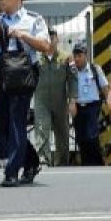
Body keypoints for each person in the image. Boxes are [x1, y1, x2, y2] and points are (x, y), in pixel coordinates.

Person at [0, 0, 48, 187]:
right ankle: (32, 161)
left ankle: (11, 171)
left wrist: (23, 35)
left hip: (23, 75)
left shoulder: (34, 19)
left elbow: (45, 46)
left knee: (17, 120)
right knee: (3, 124)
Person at [34, 31, 75, 167]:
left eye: (52, 37)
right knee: (41, 128)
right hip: (41, 100)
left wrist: (72, 100)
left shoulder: (66, 58)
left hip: (60, 101)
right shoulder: (36, 58)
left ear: (57, 39)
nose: (50, 40)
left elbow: (72, 79)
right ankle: (43, 159)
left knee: (62, 132)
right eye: (47, 37)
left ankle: (62, 161)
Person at [68, 44, 107, 166]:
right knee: (81, 138)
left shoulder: (95, 69)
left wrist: (110, 103)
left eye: (80, 55)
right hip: (78, 107)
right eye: (75, 56)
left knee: (91, 136)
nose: (77, 58)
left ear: (86, 56)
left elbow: (104, 87)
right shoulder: (71, 71)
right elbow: (67, 89)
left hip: (92, 106)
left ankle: (97, 163)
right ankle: (86, 164)